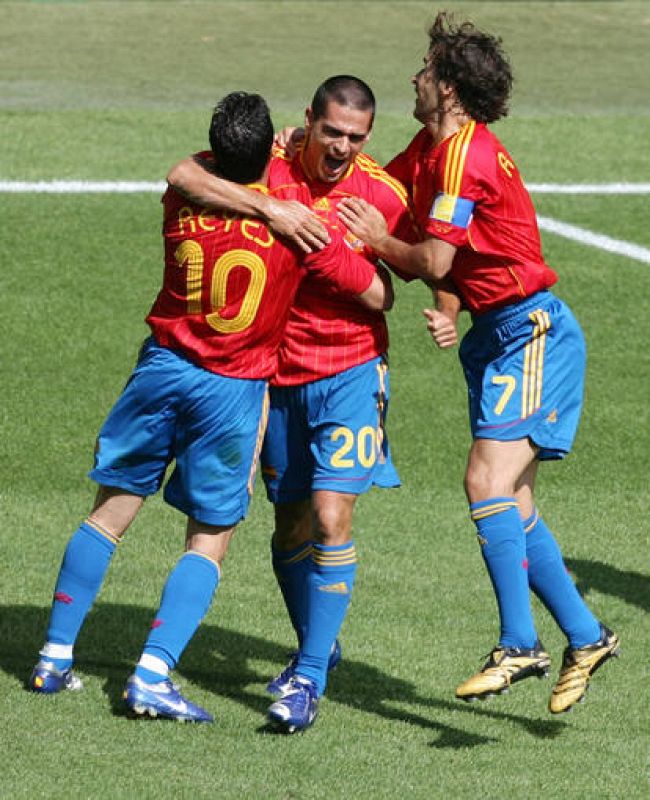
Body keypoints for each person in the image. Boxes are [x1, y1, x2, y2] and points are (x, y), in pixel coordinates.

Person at [28, 91, 392, 724]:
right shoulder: (297, 221)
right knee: (208, 538)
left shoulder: (187, 196)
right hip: (231, 390)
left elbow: (183, 172)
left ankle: (53, 657)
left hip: (161, 370)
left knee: (108, 514)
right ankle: (152, 675)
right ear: (272, 153)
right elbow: (375, 293)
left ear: (214, 150)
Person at [337, 12, 620, 715]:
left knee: (484, 480)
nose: (414, 77)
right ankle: (588, 636)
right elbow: (381, 195)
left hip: (532, 333)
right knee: (513, 503)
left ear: (449, 88)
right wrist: (302, 152)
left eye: (426, 69)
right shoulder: (430, 149)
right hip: (496, 336)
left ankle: (519, 643)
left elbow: (432, 255)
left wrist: (382, 243)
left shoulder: (467, 156)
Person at [167, 75, 415, 732]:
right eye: (331, 132)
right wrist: (272, 210)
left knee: (333, 518)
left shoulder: (380, 194)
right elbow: (185, 176)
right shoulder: (270, 169)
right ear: (309, 120)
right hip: (277, 377)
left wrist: (435, 303)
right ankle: (318, 646)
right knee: (291, 526)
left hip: (352, 371)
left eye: (355, 138)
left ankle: (306, 678)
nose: (341, 148)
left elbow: (399, 287)